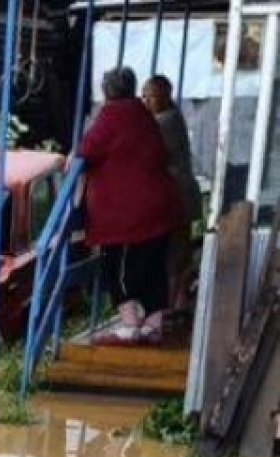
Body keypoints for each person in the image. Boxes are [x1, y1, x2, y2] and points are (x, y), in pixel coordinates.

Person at [78, 66, 183, 345]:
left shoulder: (112, 116)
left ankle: (130, 325)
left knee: (118, 266)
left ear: (107, 92)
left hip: (127, 213)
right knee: (153, 265)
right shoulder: (144, 116)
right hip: (159, 205)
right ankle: (153, 325)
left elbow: (86, 150)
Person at [142, 74, 202, 311]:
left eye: (151, 97)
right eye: (144, 96)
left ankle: (173, 303)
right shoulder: (171, 116)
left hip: (177, 197)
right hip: (181, 195)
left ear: (165, 96)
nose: (146, 102)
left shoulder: (165, 122)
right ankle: (179, 300)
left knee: (175, 255)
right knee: (179, 252)